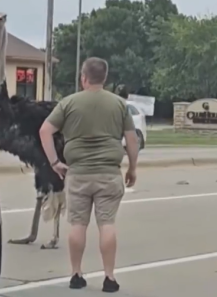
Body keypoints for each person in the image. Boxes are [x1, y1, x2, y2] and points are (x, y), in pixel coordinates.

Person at [39, 57, 139, 292]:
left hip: (78, 174)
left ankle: (76, 274)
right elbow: (132, 139)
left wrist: (55, 162)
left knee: (77, 224)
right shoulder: (118, 104)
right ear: (104, 78)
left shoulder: (68, 103)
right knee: (107, 224)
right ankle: (109, 277)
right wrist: (132, 168)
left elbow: (45, 130)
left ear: (83, 77)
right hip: (109, 173)